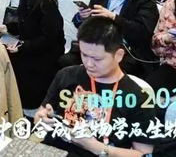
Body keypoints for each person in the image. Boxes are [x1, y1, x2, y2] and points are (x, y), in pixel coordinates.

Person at [35, 17, 155, 157]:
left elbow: (144, 154)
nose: (89, 64)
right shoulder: (66, 75)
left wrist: (97, 147)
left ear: (118, 55)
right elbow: (40, 116)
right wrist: (42, 119)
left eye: (97, 59)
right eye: (84, 55)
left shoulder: (138, 97)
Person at [62, 0, 159, 78]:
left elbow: (142, 33)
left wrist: (114, 17)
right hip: (96, 42)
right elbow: (85, 26)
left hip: (126, 49)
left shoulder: (145, 0)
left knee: (115, 68)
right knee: (66, 61)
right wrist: (81, 17)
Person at [0, 0, 64, 111]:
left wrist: (23, 47)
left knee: (17, 62)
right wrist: (7, 28)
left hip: (45, 51)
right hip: (30, 43)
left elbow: (49, 38)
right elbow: (24, 22)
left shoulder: (46, 3)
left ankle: (25, 106)